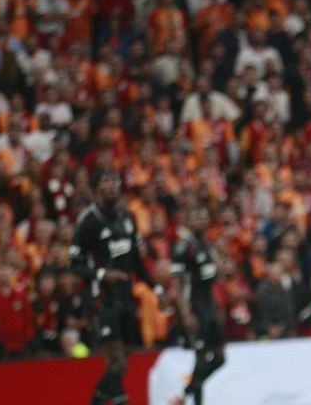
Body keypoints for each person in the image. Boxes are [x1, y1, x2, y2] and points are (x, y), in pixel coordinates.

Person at [71, 169, 160, 405]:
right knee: (116, 363)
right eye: (105, 182)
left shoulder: (128, 217)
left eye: (114, 182)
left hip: (125, 298)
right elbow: (75, 264)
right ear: (95, 190)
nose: (111, 186)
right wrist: (103, 275)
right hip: (101, 300)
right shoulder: (88, 221)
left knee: (121, 367)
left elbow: (136, 262)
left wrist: (156, 288)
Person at [169, 205, 225, 405]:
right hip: (194, 308)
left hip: (209, 306)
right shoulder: (183, 248)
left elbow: (214, 278)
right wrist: (186, 314)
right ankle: (192, 399)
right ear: (188, 222)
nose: (200, 221)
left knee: (219, 359)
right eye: (195, 218)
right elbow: (177, 282)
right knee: (200, 358)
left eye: (203, 217)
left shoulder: (208, 246)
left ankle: (185, 394)